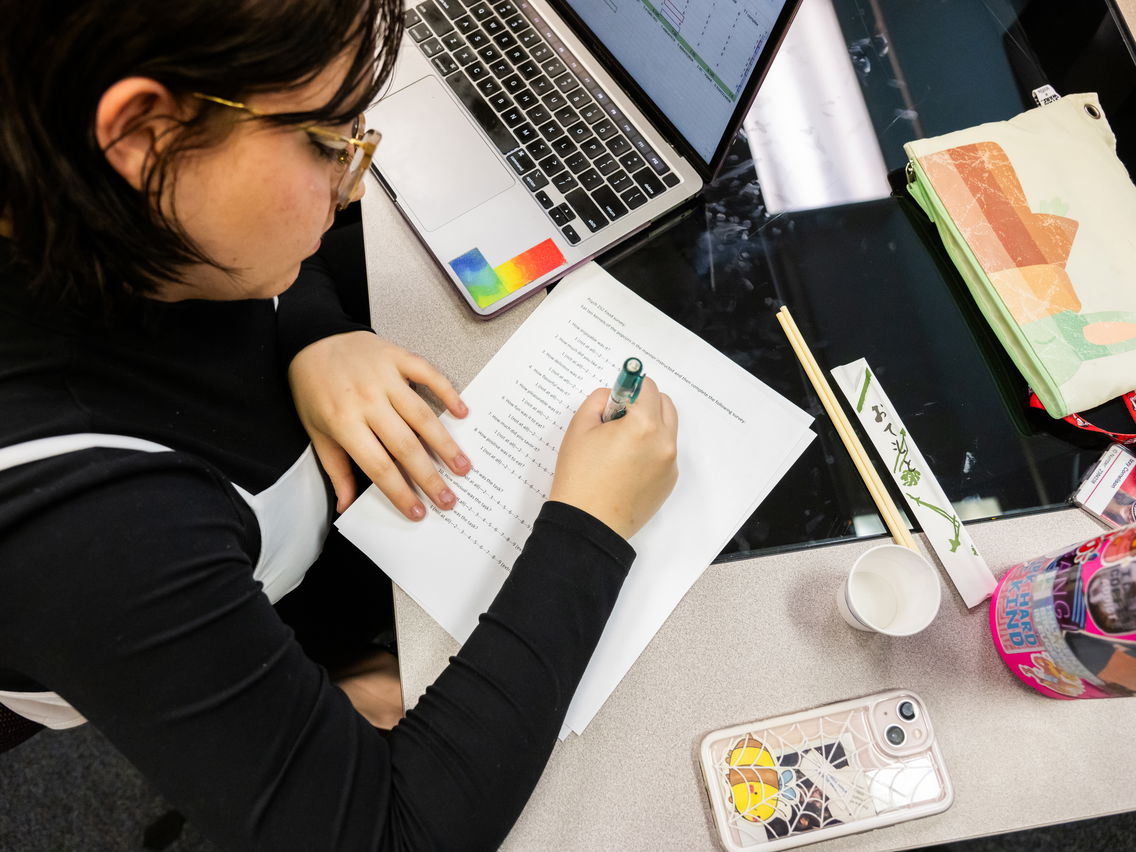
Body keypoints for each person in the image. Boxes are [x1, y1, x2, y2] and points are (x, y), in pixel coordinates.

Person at [0, 1, 679, 849]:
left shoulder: (104, 206)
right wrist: (591, 526)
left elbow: (276, 256)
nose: (354, 181)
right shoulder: (90, 522)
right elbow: (394, 834)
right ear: (140, 132)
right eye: (326, 142)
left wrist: (314, 334)